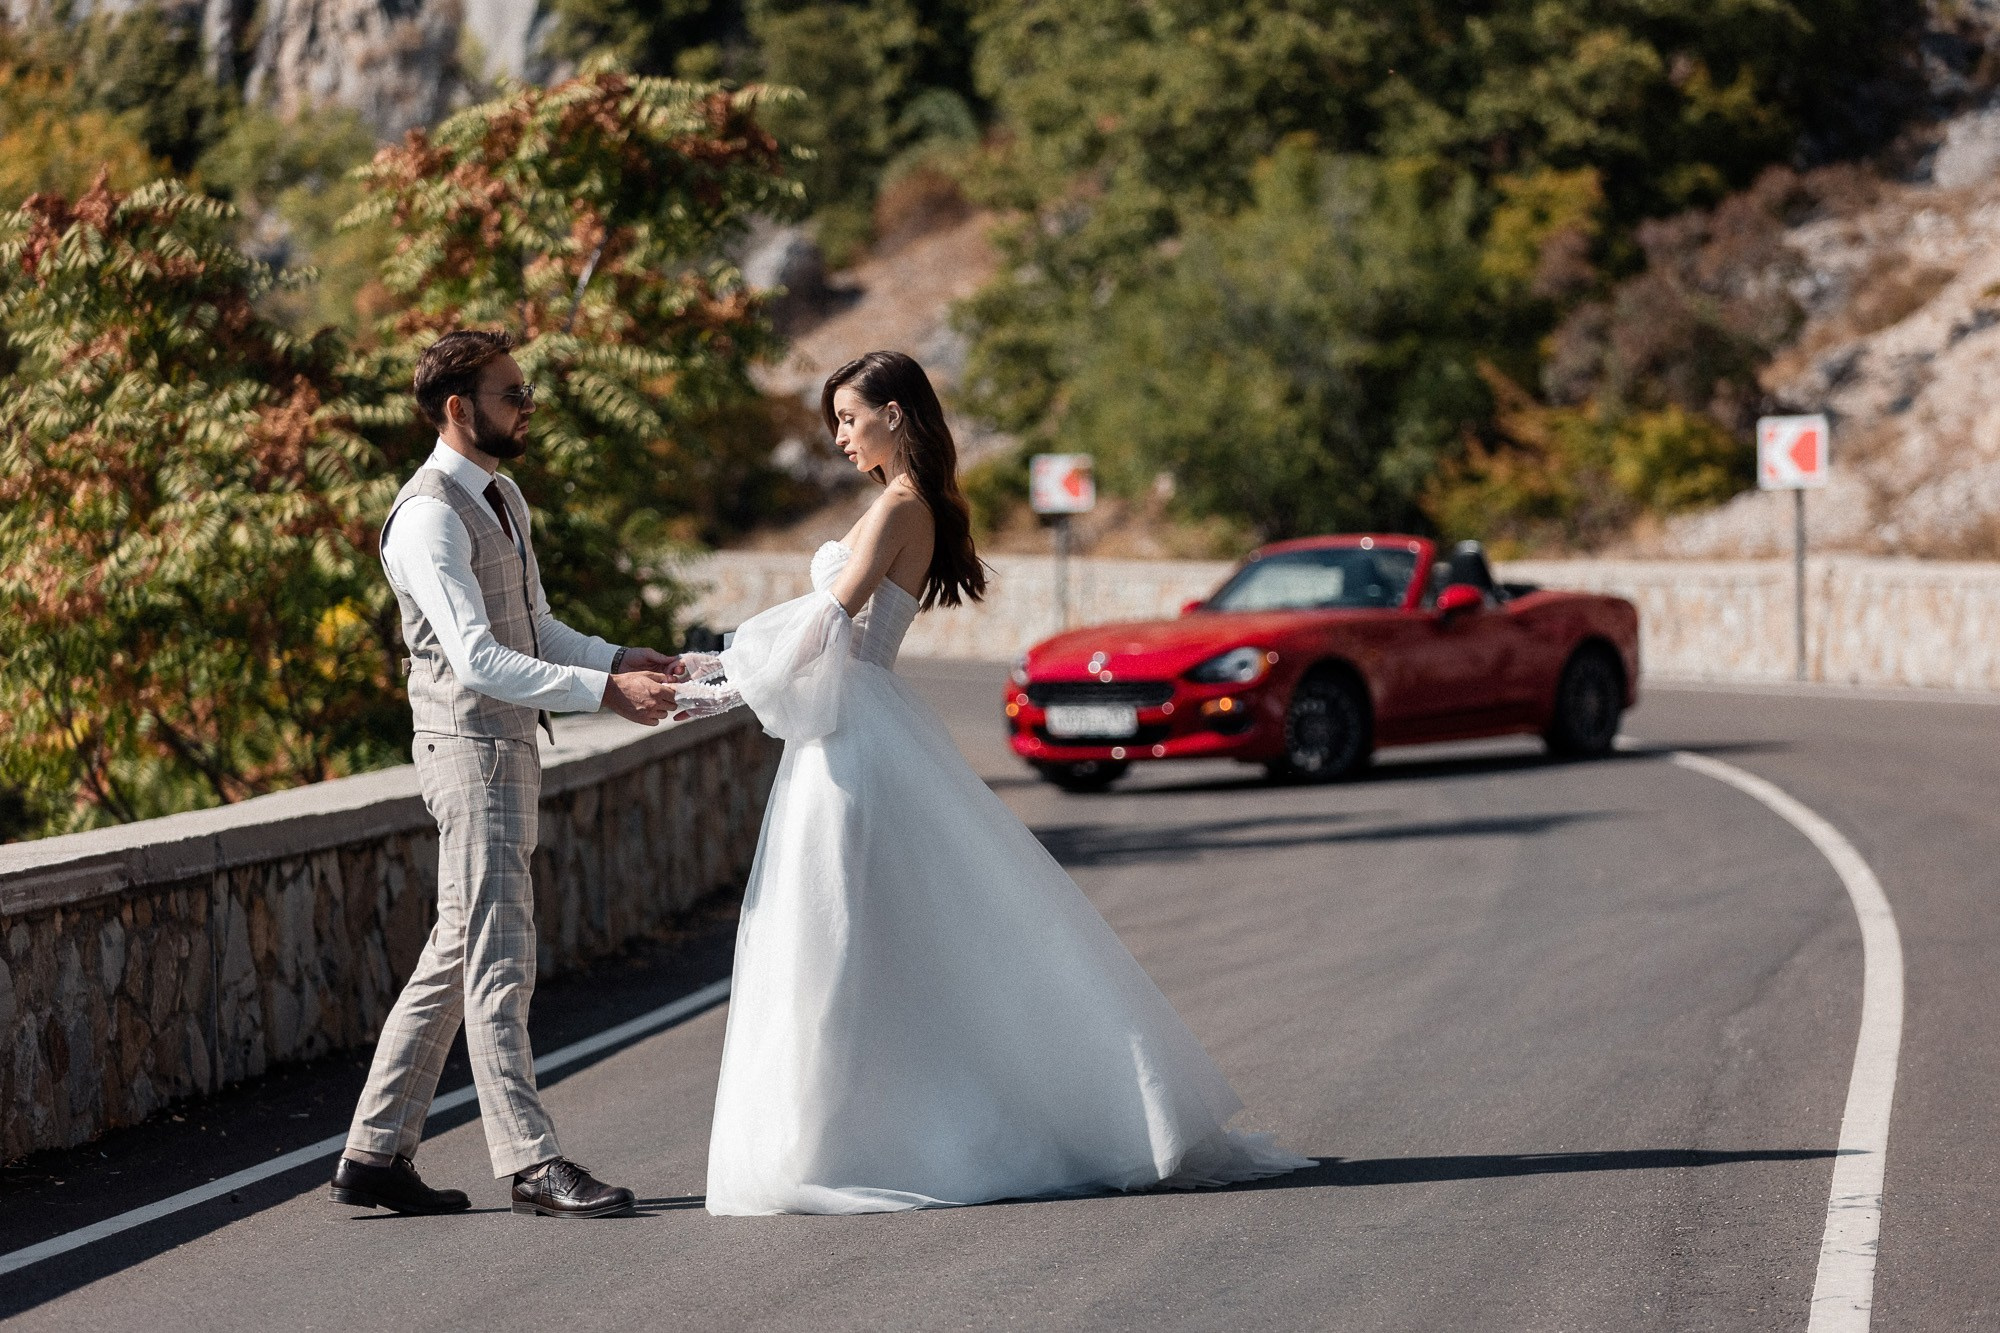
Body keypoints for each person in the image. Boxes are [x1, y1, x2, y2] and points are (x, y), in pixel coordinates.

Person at [672, 351, 1312, 1214]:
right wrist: (711, 679)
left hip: (856, 738)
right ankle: (855, 1128)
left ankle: (869, 1135)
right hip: (855, 729)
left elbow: (823, 627)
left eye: (850, 417)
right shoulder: (902, 503)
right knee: (864, 940)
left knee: (843, 939)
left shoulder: (902, 507)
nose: (839, 435)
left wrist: (705, 688)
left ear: (895, 414)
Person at [330, 329, 680, 1220]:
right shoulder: (428, 516)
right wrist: (606, 691)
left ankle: (373, 1152)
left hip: (506, 749)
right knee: (500, 959)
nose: (528, 407)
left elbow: (534, 628)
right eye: (512, 393)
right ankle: (531, 1161)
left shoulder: (504, 496)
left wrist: (615, 656)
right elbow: (479, 659)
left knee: (458, 951)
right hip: (469, 751)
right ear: (459, 407)